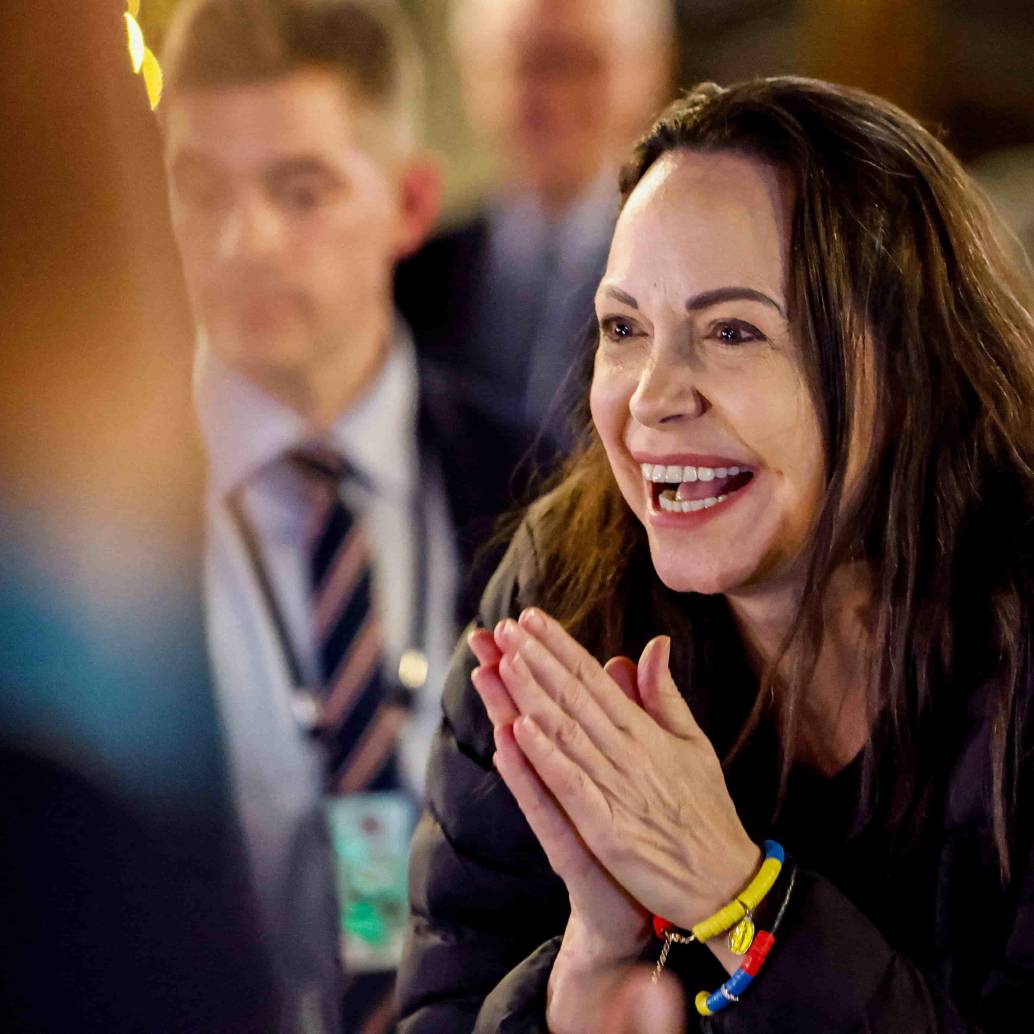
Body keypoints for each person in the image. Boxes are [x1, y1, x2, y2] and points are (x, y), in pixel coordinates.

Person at [397, 77, 1034, 1032]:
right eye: (625, 329)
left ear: (906, 371)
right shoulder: (561, 597)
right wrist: (578, 981)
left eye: (732, 332)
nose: (651, 399)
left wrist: (743, 905)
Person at [160, 1, 504, 1029]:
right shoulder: (92, 510)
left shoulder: (533, 482)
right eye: (199, 189)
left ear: (407, 203)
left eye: (299, 189)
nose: (242, 240)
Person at [396, 0, 674, 474]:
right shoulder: (405, 277)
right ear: (475, 76)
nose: (555, 93)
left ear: (651, 69)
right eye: (530, 62)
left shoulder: (688, 273)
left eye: (585, 62)